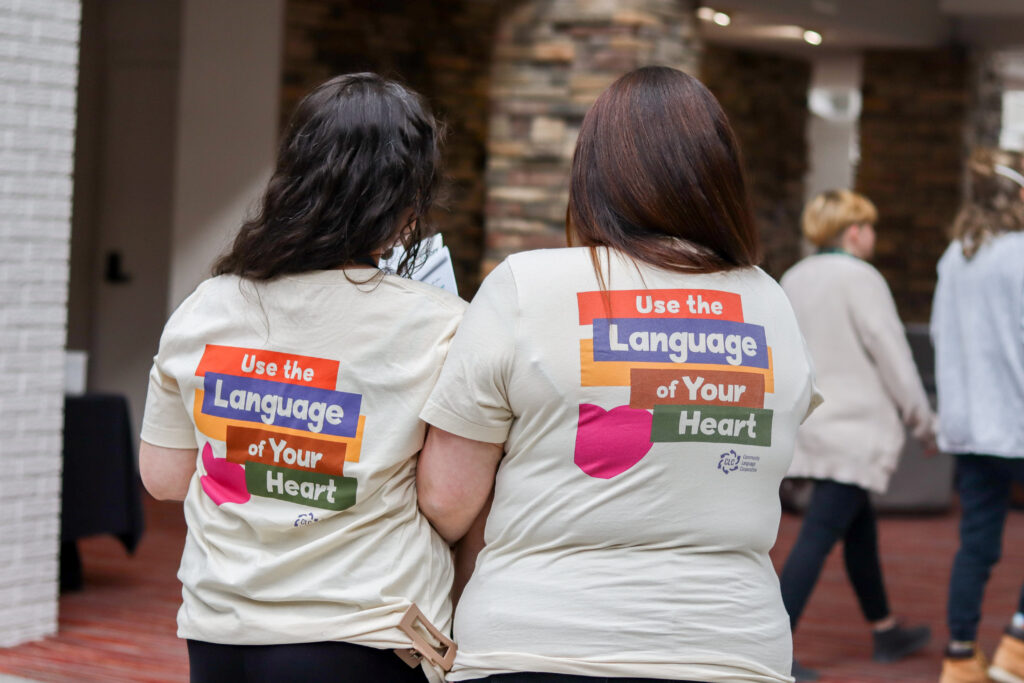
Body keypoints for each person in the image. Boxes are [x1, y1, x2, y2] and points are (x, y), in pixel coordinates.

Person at [417, 65, 822, 682]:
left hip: (535, 643)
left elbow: (446, 498)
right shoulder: (770, 302)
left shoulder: (527, 285)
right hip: (731, 648)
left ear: (593, 175)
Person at [138, 73, 465, 683]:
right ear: (406, 200)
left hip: (221, 629)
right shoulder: (442, 324)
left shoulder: (209, 304)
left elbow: (163, 478)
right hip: (367, 632)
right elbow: (448, 501)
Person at [777, 189, 936, 680]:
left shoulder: (792, 278)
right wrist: (923, 420)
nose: (873, 236)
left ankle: (885, 630)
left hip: (810, 424)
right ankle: (770, 649)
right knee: (819, 535)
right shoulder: (861, 278)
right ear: (852, 231)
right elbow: (893, 354)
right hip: (854, 430)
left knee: (857, 529)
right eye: (869, 227)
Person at [933, 148, 1024, 683]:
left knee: (976, 544)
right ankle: (1017, 642)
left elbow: (945, 337)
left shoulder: (955, 256)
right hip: (1016, 417)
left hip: (971, 426)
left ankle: (961, 656)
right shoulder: (1021, 253)